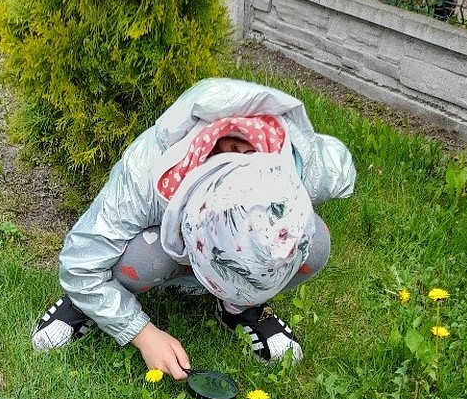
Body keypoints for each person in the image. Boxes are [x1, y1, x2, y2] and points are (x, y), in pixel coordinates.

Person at [32, 77, 355, 376]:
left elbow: (343, 167)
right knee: (143, 261)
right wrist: (144, 335)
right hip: (157, 247)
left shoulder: (308, 164)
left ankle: (239, 307)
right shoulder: (146, 172)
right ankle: (83, 303)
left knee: (317, 245)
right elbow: (79, 264)